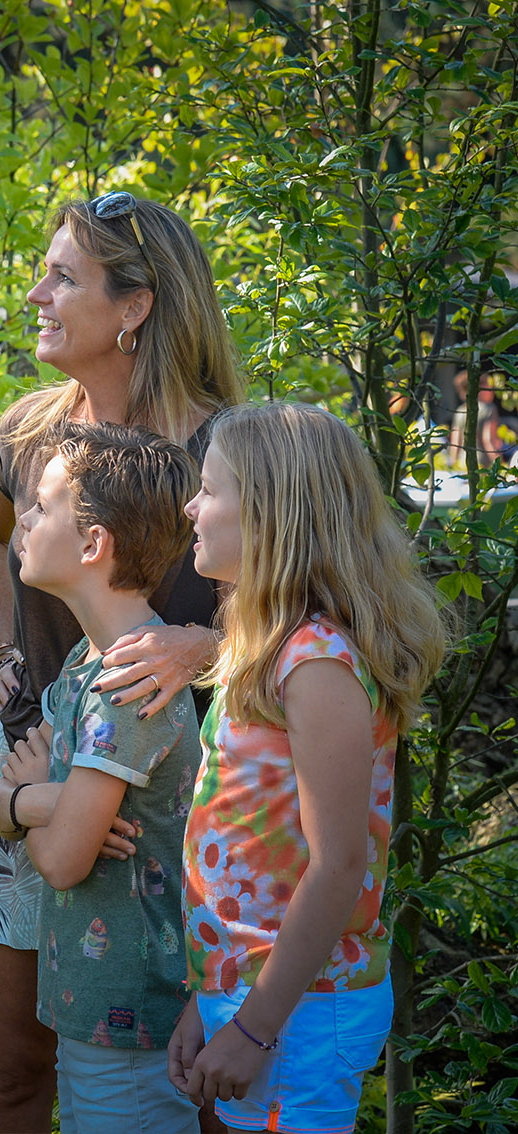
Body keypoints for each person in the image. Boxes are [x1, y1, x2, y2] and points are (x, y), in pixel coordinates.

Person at [0, 190, 243, 1131]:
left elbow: (297, 617)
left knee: (184, 1074)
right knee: (16, 1066)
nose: (36, 295)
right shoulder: (28, 435)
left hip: (165, 807)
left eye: (62, 277)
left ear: (135, 306)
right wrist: (4, 653)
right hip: (30, 766)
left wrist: (203, 646)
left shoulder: (226, 452)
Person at [168, 401, 448, 1133]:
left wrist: (254, 1028)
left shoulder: (317, 663)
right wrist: (208, 996)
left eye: (209, 489)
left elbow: (337, 866)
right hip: (256, 995)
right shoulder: (269, 646)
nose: (191, 507)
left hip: (300, 1009)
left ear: (271, 515)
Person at [0, 422, 205, 1132]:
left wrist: (21, 802)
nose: (22, 519)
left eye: (42, 506)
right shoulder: (88, 660)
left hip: (131, 1022)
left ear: (92, 545)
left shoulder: (126, 685)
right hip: (91, 1011)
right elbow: (31, 793)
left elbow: (61, 859)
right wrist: (42, 800)